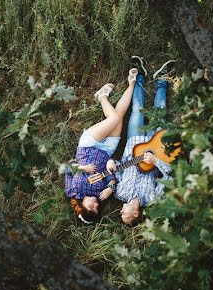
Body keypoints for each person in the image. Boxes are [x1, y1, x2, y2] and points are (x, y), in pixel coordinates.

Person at [64, 68, 139, 224]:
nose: (96, 205)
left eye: (92, 208)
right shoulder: (100, 194)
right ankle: (132, 84)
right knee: (119, 116)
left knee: (113, 119)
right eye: (97, 209)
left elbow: (67, 167)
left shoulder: (72, 191)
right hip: (107, 151)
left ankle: (102, 96)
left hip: (88, 146)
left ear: (82, 206)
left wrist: (82, 169)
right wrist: (110, 188)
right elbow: (111, 175)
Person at [107, 58, 175, 225]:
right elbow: (170, 177)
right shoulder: (152, 198)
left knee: (137, 110)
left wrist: (111, 163)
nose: (121, 210)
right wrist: (156, 161)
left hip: (134, 141)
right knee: (160, 111)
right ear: (136, 213)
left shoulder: (119, 193)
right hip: (155, 148)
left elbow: (115, 169)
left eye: (121, 213)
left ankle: (140, 75)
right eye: (125, 214)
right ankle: (162, 79)